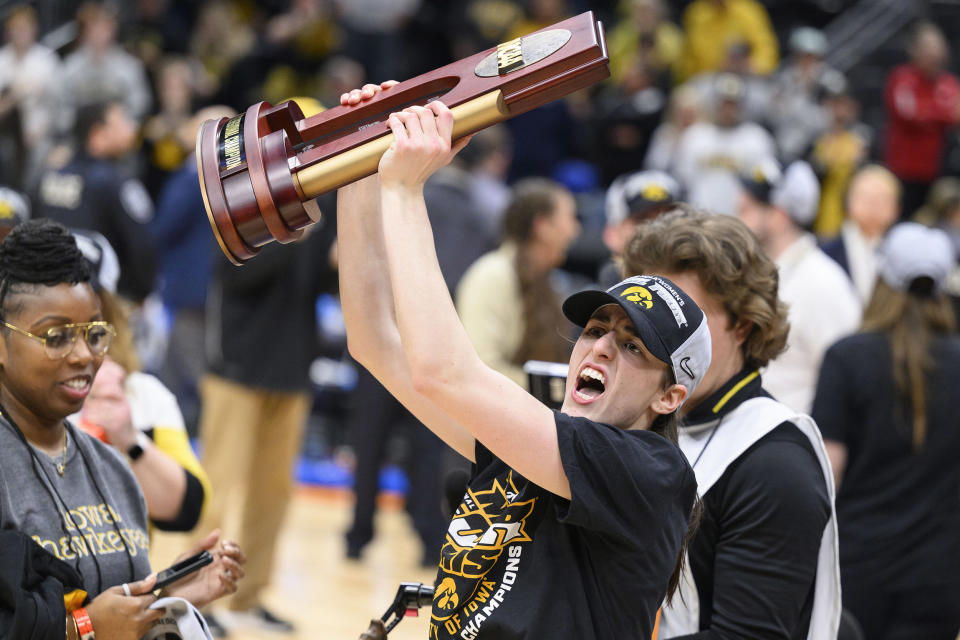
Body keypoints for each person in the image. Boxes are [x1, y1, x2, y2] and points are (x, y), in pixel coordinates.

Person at [337, 84, 704, 639]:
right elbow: (374, 341)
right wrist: (361, 169)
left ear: (669, 396)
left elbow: (441, 370)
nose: (600, 346)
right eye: (597, 329)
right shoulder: (535, 441)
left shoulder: (650, 471)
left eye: (632, 346)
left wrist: (405, 190)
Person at [0, 219, 244, 639]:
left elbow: (111, 606)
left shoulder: (115, 470)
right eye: (56, 336)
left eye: (93, 334)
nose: (83, 356)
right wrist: (85, 628)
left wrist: (165, 594)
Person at [622, 209, 840, 639]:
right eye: (644, 313)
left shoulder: (775, 462)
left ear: (742, 325)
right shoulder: (643, 418)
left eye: (683, 315)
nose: (656, 334)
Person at [812, 222, 960, 639]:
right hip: (942, 573)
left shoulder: (846, 357)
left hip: (859, 570)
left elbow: (827, 475)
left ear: (881, 278)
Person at [71, 230, 211, 533]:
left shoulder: (143, 396)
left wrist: (128, 438)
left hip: (121, 574)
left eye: (83, 300)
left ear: (108, 313)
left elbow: (186, 511)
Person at [737, 159, 860, 413]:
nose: (737, 220)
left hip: (792, 436)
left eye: (746, 211)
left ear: (779, 217)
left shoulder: (823, 283)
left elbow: (846, 379)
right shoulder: (756, 270)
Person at [456, 178, 580, 387]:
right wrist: (556, 388)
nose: (575, 230)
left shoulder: (548, 280)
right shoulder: (490, 276)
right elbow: (481, 368)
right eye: (570, 218)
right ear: (542, 226)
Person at [34, 99, 156, 304]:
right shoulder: (116, 183)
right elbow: (144, 246)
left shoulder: (49, 177)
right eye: (123, 121)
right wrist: (142, 294)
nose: (133, 127)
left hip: (52, 300)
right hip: (107, 303)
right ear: (98, 134)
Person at [883, 21, 960, 218]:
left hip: (935, 170)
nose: (934, 54)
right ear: (914, 50)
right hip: (902, 169)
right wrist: (942, 114)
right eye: (928, 48)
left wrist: (930, 113)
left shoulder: (948, 83)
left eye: (938, 48)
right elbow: (908, 113)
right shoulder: (901, 78)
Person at [821, 164, 901, 305]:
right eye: (866, 196)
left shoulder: (901, 256)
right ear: (848, 202)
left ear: (896, 208)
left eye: (882, 198)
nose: (873, 204)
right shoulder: (824, 254)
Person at [598, 169, 679, 288]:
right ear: (611, 234)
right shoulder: (591, 303)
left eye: (667, 218)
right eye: (642, 220)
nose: (657, 228)